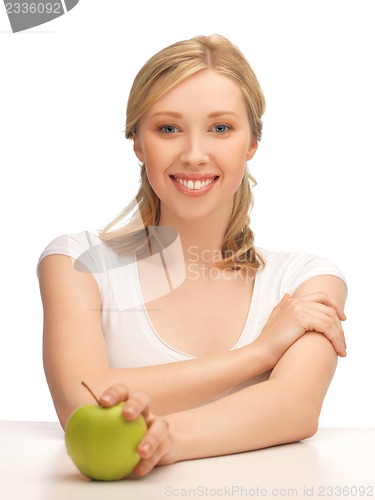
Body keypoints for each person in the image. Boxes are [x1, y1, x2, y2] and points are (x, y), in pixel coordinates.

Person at [37, 34, 347, 478]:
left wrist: (166, 438)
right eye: (168, 128)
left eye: (221, 128)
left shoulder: (305, 279)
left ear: (252, 143)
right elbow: (81, 401)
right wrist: (261, 353)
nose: (195, 154)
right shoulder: (76, 262)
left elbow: (295, 406)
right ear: (138, 144)